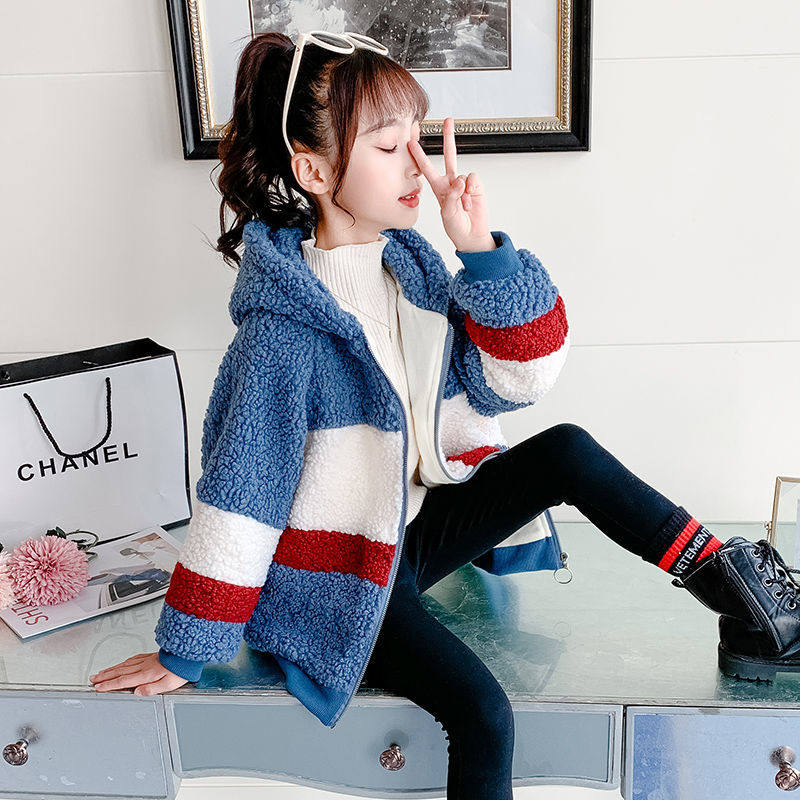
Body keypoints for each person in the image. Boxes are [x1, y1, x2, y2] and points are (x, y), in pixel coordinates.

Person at [90, 29, 800, 799]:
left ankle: (746, 602)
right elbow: (241, 499)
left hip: (417, 530)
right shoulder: (282, 337)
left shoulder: (415, 273)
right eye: (388, 145)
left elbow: (517, 382)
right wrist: (187, 647)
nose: (418, 165)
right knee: (484, 714)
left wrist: (483, 251)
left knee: (565, 448)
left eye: (417, 138)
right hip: (344, 576)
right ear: (315, 170)